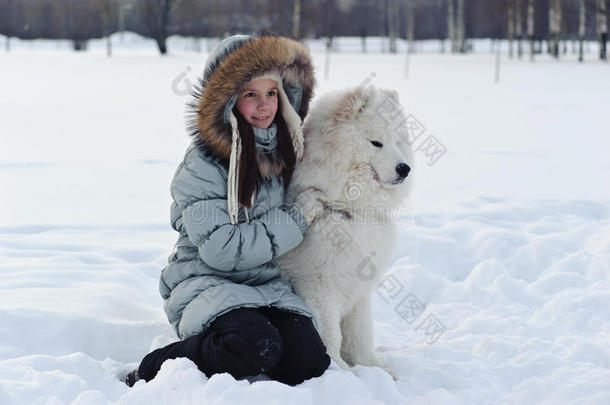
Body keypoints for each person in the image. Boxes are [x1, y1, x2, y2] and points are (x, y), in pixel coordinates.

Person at [125, 33, 330, 387]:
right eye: (250, 94)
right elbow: (222, 250)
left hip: (266, 285)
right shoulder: (203, 164)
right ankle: (155, 366)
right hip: (205, 281)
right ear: (228, 100)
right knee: (254, 345)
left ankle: (253, 340)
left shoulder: (286, 152)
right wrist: (295, 221)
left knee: (308, 361)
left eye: (271, 93)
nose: (264, 105)